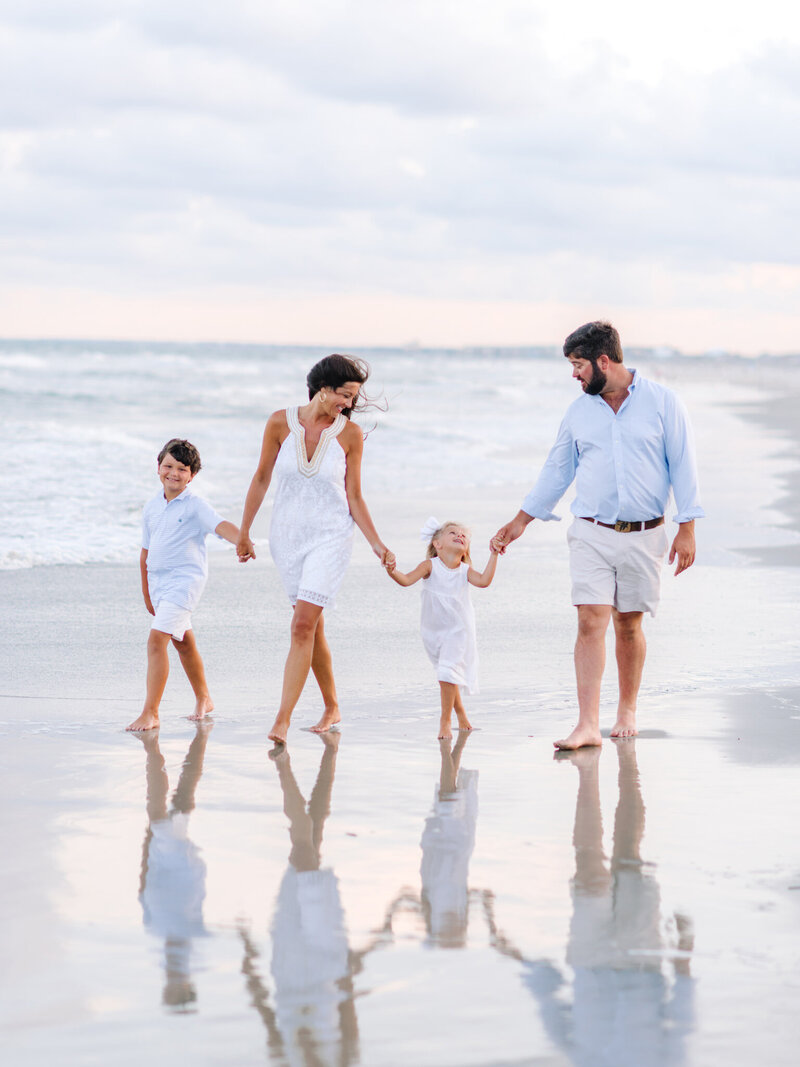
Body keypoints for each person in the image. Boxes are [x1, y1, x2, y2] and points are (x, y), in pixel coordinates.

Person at [492, 321, 704, 749]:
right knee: (590, 619)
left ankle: (627, 709)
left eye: (578, 365)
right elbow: (557, 470)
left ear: (603, 361)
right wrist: (521, 521)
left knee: (628, 624)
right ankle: (587, 724)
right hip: (591, 531)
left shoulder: (664, 403)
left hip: (645, 534)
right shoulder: (578, 412)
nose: (575, 375)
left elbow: (683, 465)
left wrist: (687, 529)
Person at [236, 354, 394, 744]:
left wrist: (377, 544)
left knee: (302, 625)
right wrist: (244, 531)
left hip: (331, 537)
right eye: (344, 394)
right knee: (313, 626)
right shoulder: (279, 423)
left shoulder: (349, 434)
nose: (348, 403)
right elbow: (261, 477)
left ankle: (282, 720)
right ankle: (332, 706)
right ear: (322, 388)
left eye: (353, 397)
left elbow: (354, 496)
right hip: (287, 538)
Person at [127, 439, 240, 732]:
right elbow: (145, 552)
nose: (173, 473)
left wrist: (242, 540)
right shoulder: (152, 506)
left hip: (184, 583)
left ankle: (151, 713)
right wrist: (146, 592)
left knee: (156, 641)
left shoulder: (195, 506)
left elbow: (220, 525)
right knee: (183, 643)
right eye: (168, 466)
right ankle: (204, 698)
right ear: (158, 467)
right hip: (158, 584)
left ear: (192, 475)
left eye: (182, 469)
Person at [385, 518, 499, 739]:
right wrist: (391, 570)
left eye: (463, 535)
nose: (460, 535)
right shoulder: (430, 566)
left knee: (447, 670)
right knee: (448, 673)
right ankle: (461, 712)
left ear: (466, 549)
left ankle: (445, 721)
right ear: (437, 544)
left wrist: (494, 554)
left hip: (459, 629)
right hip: (433, 630)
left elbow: (484, 581)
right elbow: (406, 580)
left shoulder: (464, 570)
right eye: (452, 533)